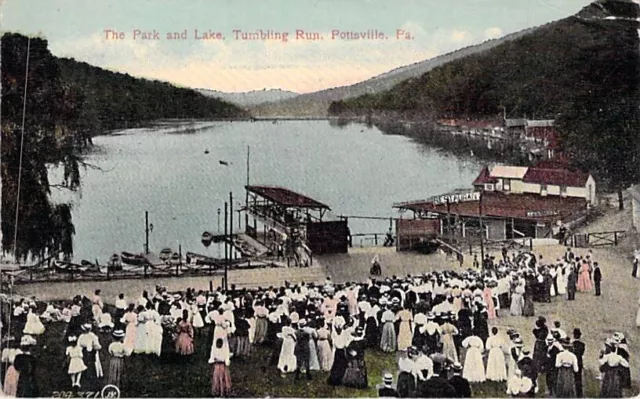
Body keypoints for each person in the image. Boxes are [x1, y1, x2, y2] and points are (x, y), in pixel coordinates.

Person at [570, 328, 585, 397]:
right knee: (578, 379)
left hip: (572, 361)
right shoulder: (582, 344)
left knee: (571, 377)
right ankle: (579, 394)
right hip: (579, 362)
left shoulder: (572, 344)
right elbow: (581, 353)